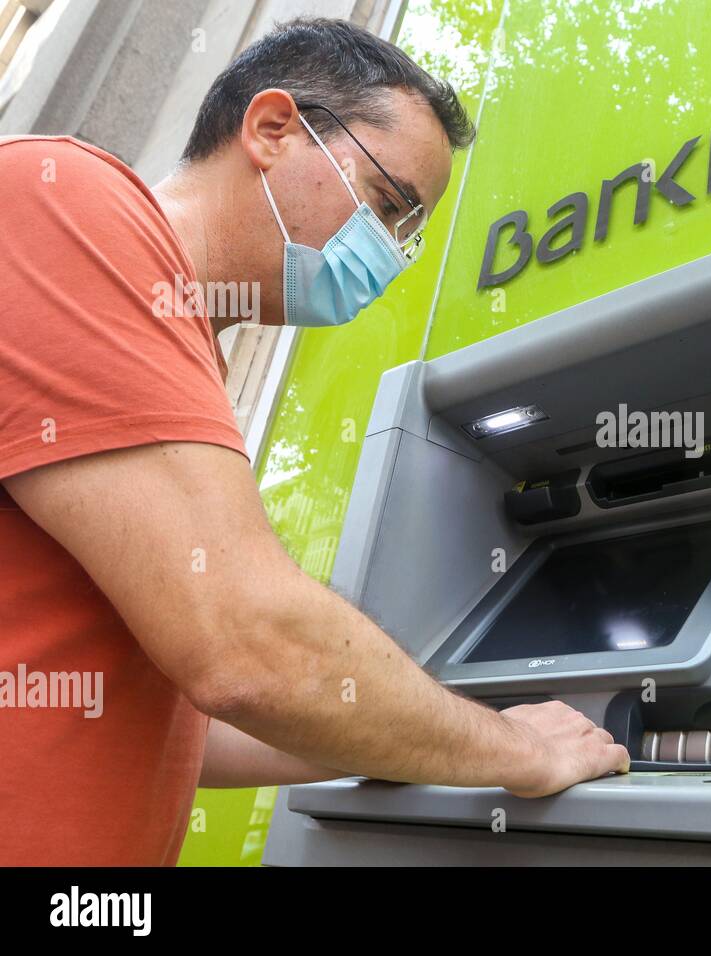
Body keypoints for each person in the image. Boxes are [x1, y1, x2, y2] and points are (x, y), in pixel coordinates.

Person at [0, 17, 628, 866]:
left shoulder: (188, 360)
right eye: (390, 205)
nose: (394, 256)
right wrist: (519, 751)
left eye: (410, 237)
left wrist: (429, 735)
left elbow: (194, 730)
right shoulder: (64, 202)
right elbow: (245, 646)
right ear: (272, 130)